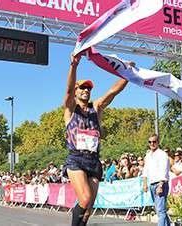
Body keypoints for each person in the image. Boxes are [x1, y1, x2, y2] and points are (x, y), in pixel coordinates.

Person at [63, 53, 129, 226]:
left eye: (89, 88)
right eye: (82, 88)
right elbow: (68, 91)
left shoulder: (96, 108)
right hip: (76, 158)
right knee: (84, 199)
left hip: (93, 160)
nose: (86, 90)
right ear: (77, 92)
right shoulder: (70, 109)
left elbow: (113, 91)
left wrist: (128, 73)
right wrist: (74, 66)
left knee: (89, 207)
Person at [142, 134, 170, 226]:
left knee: (160, 210)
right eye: (150, 142)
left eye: (154, 142)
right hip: (152, 184)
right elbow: (145, 170)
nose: (152, 144)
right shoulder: (148, 155)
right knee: (160, 210)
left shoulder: (162, 154)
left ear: (158, 142)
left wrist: (160, 185)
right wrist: (145, 183)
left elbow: (164, 170)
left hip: (160, 184)